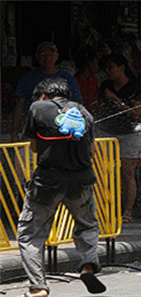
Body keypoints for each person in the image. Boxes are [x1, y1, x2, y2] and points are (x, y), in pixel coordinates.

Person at [17, 78, 105, 297]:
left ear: (44, 95)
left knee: (31, 235)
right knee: (86, 225)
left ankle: (38, 287)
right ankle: (87, 267)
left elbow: (35, 147)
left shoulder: (37, 108)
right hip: (81, 180)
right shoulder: (84, 112)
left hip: (47, 182)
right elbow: (92, 150)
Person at [95, 53, 141, 223]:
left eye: (111, 67)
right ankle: (105, 208)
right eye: (106, 68)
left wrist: (115, 99)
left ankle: (127, 212)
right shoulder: (105, 86)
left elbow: (135, 114)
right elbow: (101, 108)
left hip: (129, 133)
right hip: (106, 132)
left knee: (127, 173)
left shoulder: (135, 87)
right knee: (104, 172)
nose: (108, 71)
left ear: (121, 68)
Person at [12, 41, 83, 142]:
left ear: (57, 56)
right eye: (43, 54)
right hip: (33, 133)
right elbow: (19, 105)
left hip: (60, 134)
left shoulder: (68, 79)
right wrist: (14, 133)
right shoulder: (27, 78)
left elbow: (77, 104)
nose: (47, 58)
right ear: (37, 56)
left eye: (51, 55)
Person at [74, 45, 100, 110]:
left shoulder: (93, 78)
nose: (97, 65)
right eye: (96, 61)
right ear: (89, 63)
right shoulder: (75, 82)